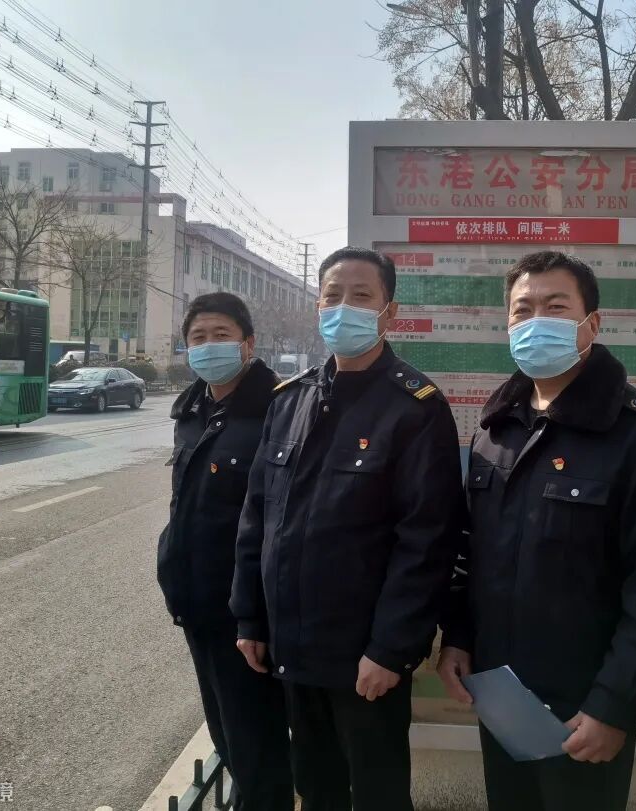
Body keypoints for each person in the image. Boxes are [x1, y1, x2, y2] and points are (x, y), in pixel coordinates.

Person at [436, 251, 636, 811]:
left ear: (591, 324)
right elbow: (471, 549)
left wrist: (615, 705)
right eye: (522, 310)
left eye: (555, 307)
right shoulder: (495, 430)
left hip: (584, 710)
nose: (536, 321)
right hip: (501, 695)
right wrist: (458, 637)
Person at [231, 247, 464, 811]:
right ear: (318, 306)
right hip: (292, 646)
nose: (344, 308)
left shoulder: (416, 408)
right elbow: (258, 516)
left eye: (361, 297)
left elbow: (427, 541)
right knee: (316, 790)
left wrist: (391, 649)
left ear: (389, 312)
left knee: (378, 795)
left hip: (365, 658)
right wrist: (250, 617)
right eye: (332, 296)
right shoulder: (290, 400)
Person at [156, 293, 293, 811]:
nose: (208, 346)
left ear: (247, 344)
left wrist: (254, 617)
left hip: (248, 618)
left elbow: (280, 521)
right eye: (198, 337)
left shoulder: (281, 408)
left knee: (257, 748)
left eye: (221, 335)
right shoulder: (192, 409)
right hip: (198, 606)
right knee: (226, 736)